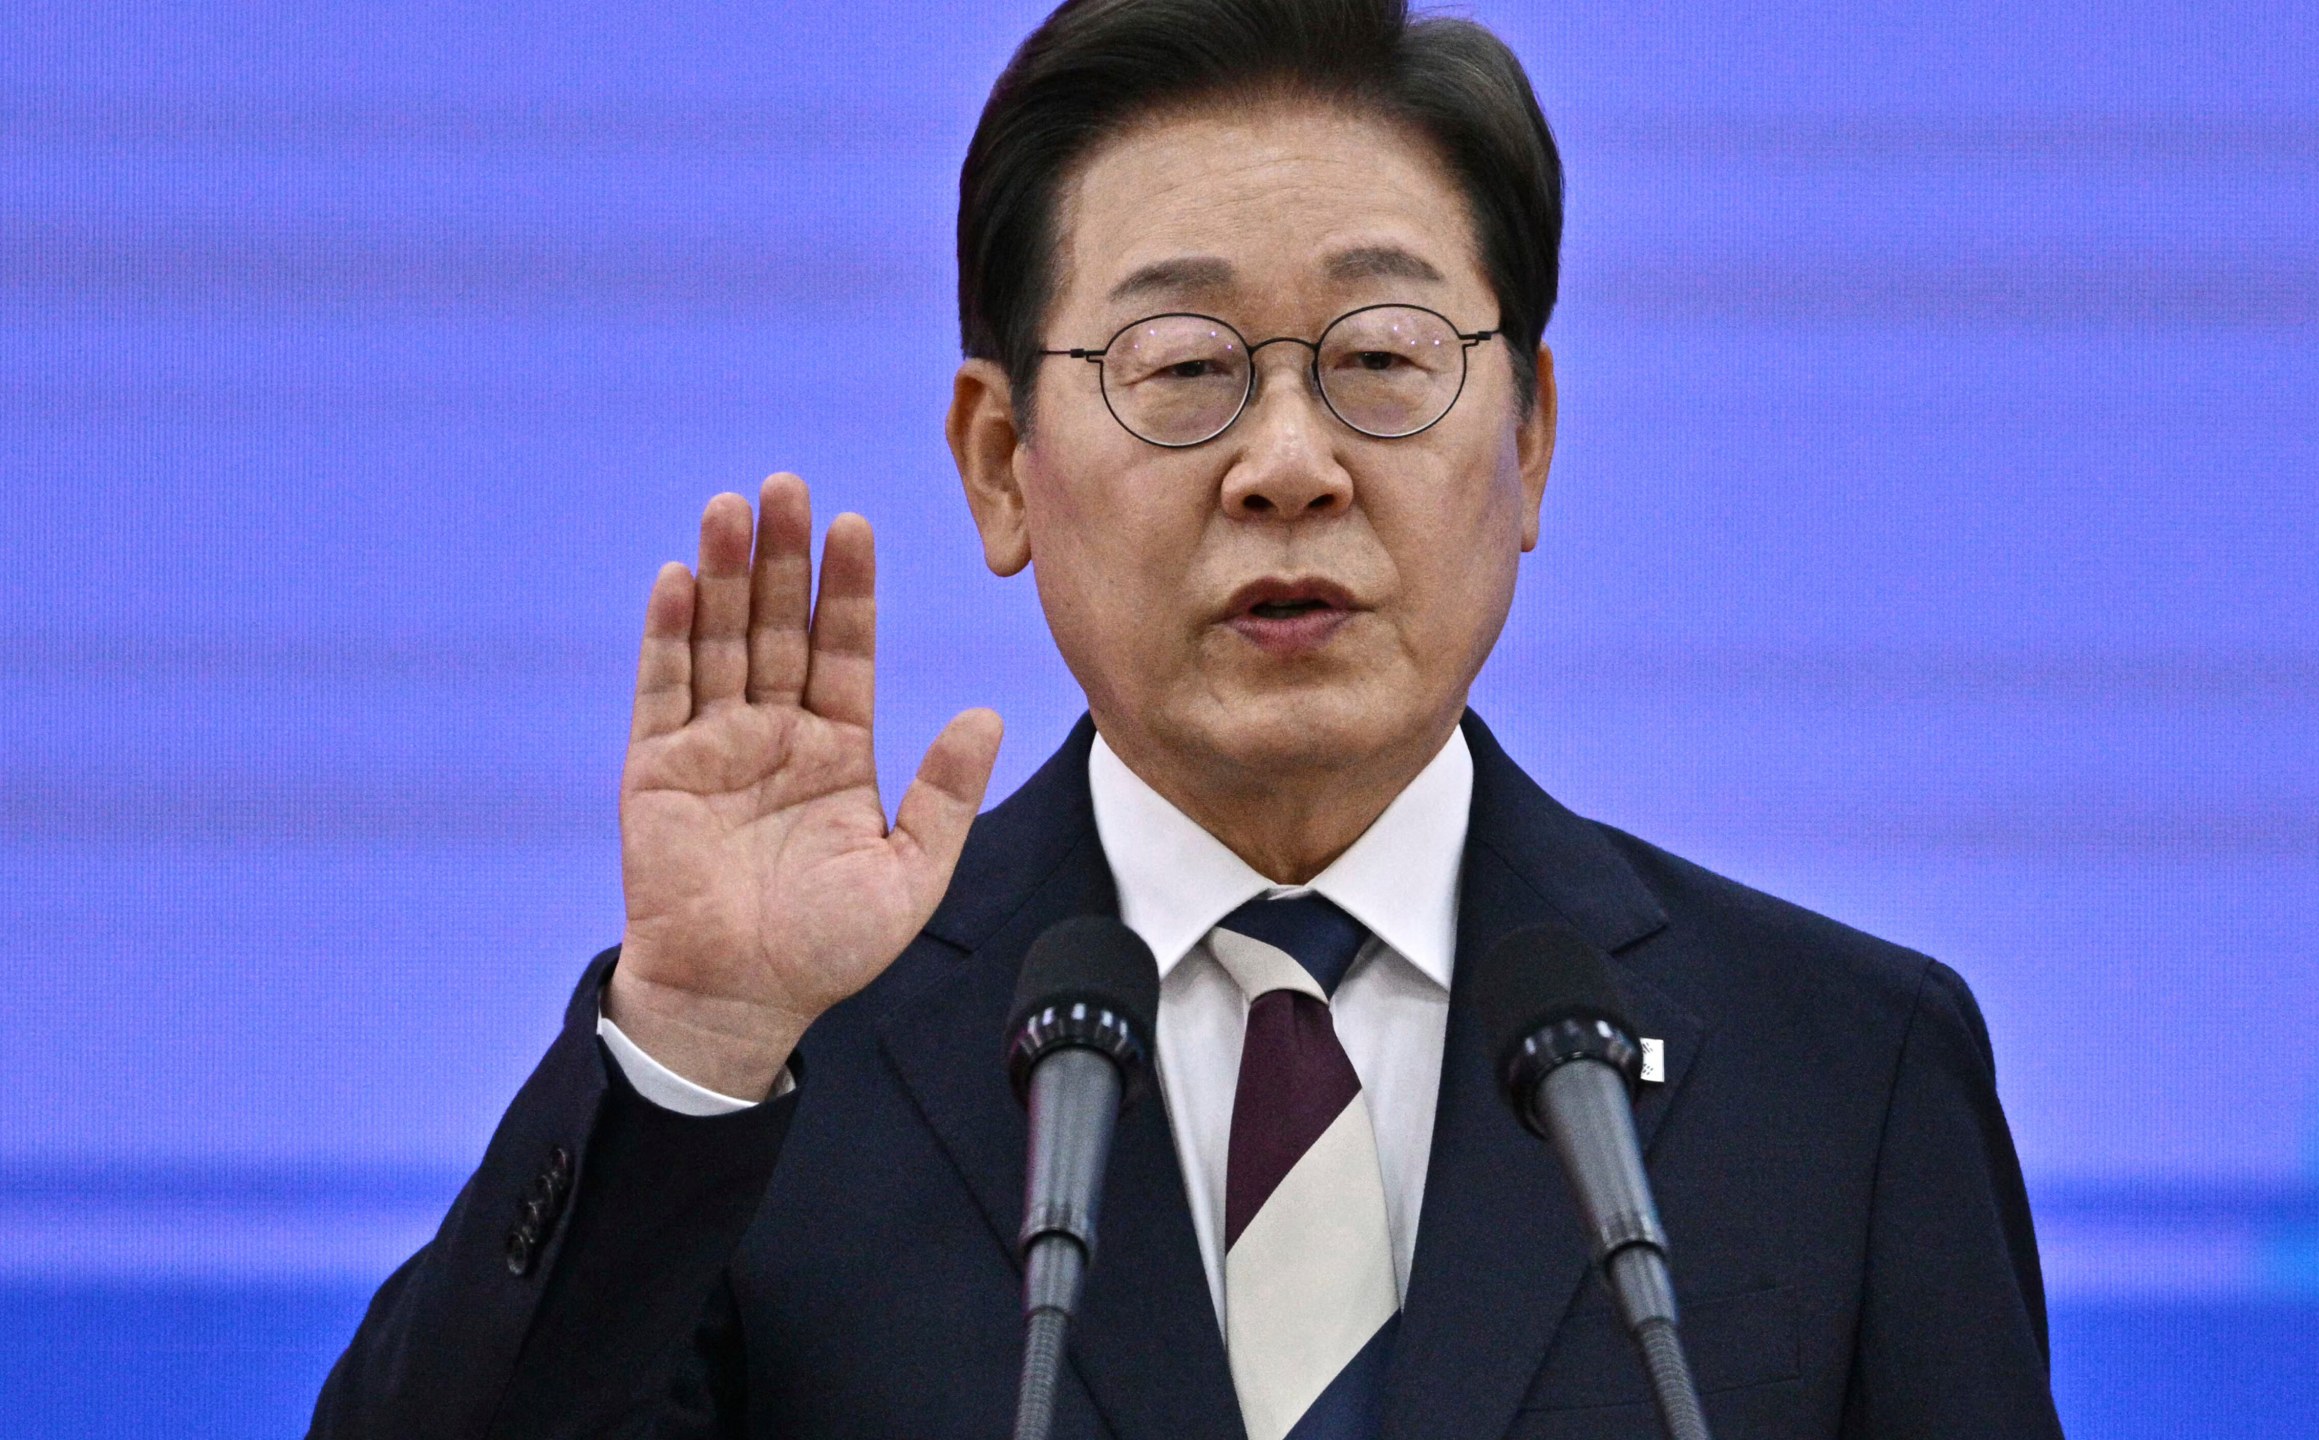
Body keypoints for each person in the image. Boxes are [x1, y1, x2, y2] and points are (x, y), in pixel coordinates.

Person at [311, 0, 2064, 1435]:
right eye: (1182, 371)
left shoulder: (1844, 1074)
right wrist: (692, 1043)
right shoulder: (779, 1069)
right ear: (1002, 467)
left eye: (1381, 360)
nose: (1288, 466)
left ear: (1528, 442)